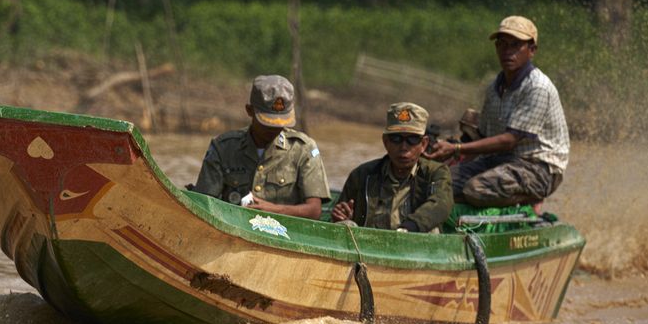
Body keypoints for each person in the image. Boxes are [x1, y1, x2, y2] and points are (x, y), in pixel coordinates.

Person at [425, 16, 569, 207]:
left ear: (531, 50)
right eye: (502, 44)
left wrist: (456, 149)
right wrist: (448, 152)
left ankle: (528, 204)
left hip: (538, 167)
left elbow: (509, 140)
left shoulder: (537, 87)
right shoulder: (494, 88)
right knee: (437, 184)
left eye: (515, 45)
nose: (507, 51)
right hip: (500, 161)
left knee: (476, 189)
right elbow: (482, 136)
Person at [193, 75, 331, 219]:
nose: (274, 128)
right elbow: (203, 204)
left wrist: (274, 210)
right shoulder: (223, 148)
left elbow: (314, 210)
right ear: (249, 111)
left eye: (281, 123)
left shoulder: (304, 149)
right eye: (268, 123)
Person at [331, 103, 453, 232]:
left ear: (423, 144)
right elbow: (341, 213)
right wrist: (342, 217)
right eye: (396, 138)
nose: (404, 147)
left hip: (415, 243)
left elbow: (441, 204)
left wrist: (410, 227)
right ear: (386, 142)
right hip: (368, 245)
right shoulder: (363, 175)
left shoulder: (436, 173)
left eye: (412, 140)